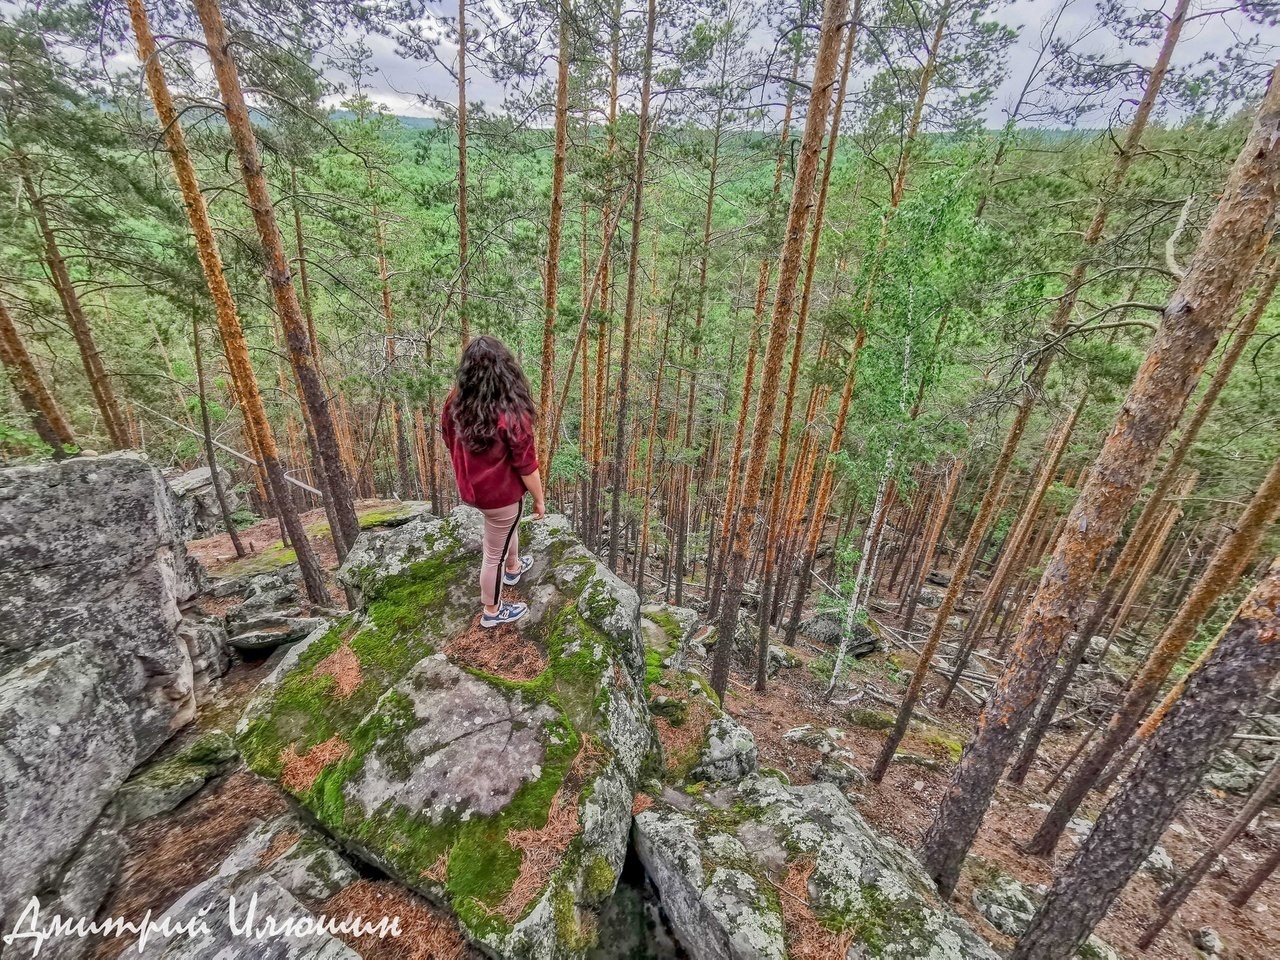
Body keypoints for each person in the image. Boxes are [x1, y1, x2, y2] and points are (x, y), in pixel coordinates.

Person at [442, 335, 547, 627]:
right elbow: (526, 465)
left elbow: (449, 439)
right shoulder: (511, 411)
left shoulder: (454, 403)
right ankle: (492, 611)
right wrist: (538, 499)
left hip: (474, 489)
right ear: (505, 368)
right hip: (499, 496)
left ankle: (513, 567)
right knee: (492, 556)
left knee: (505, 530)